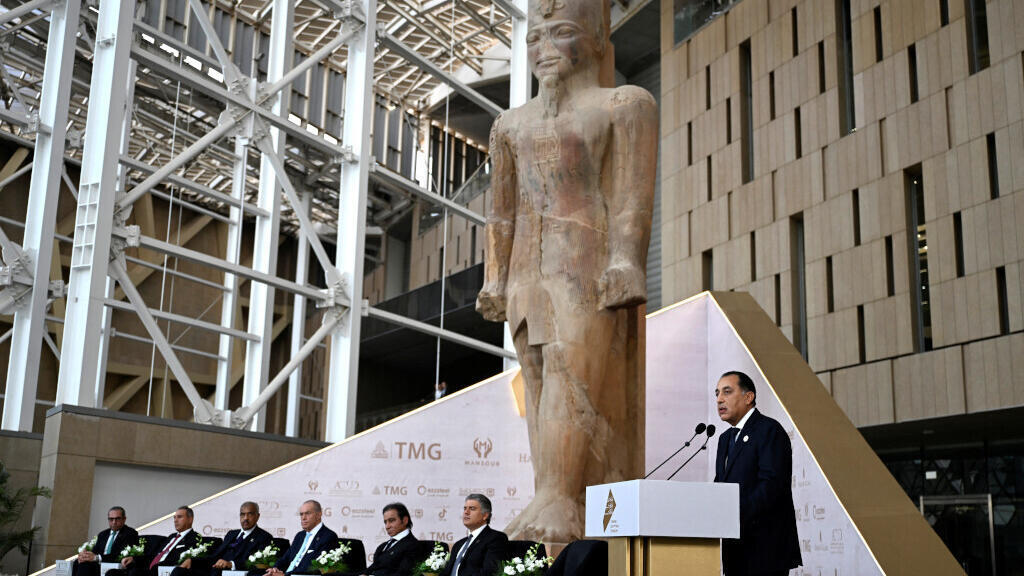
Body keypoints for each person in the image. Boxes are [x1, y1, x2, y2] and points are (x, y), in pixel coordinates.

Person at [475, 0, 656, 542]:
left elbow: (632, 197)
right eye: (535, 37)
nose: (543, 49)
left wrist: (626, 258)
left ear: (598, 40)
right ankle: (551, 492)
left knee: (574, 373)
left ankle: (563, 495)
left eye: (562, 33)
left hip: (587, 262)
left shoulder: (625, 104)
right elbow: (502, 210)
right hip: (530, 270)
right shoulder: (509, 124)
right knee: (536, 375)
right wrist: (495, 275)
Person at [713, 371, 802, 576]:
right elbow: (721, 485)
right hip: (735, 548)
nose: (719, 399)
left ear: (748, 397)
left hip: (765, 549)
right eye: (717, 393)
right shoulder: (725, 439)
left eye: (727, 392)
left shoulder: (768, 430)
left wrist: (734, 514)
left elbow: (771, 486)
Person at [172, 502, 272, 576]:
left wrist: (231, 564)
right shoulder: (232, 534)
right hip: (213, 571)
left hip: (232, 573)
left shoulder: (264, 537)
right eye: (242, 514)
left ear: (257, 516)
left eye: (250, 514)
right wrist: (193, 561)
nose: (245, 518)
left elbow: (256, 563)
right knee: (179, 571)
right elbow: (215, 557)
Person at [110, 506, 198, 576]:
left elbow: (180, 559)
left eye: (179, 517)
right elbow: (153, 556)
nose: (175, 520)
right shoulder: (171, 537)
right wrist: (133, 559)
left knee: (136, 573)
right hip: (148, 569)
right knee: (112, 572)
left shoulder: (195, 538)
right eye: (174, 517)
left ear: (190, 519)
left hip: (162, 571)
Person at [439, 495, 508, 576]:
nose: (466, 512)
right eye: (465, 508)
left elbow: (489, 572)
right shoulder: (458, 544)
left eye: (472, 509)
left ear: (485, 515)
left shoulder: (496, 538)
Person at [266, 500, 338, 576]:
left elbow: (313, 569)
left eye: (307, 513)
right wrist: (275, 569)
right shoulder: (300, 535)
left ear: (319, 515)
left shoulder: (328, 536)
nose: (303, 518)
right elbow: (285, 558)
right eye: (301, 514)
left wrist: (285, 575)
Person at [73, 506, 140, 576]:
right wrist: (85, 555)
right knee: (79, 562)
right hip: (98, 565)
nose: (114, 522)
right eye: (111, 519)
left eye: (117, 519)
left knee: (85, 566)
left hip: (114, 567)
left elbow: (119, 555)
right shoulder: (103, 534)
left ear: (124, 519)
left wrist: (97, 558)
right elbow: (95, 551)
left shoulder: (130, 533)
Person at [358, 503, 418, 576]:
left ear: (405, 520)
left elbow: (403, 573)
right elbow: (370, 570)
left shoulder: (414, 545)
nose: (387, 526)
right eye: (385, 522)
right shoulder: (382, 546)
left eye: (391, 520)